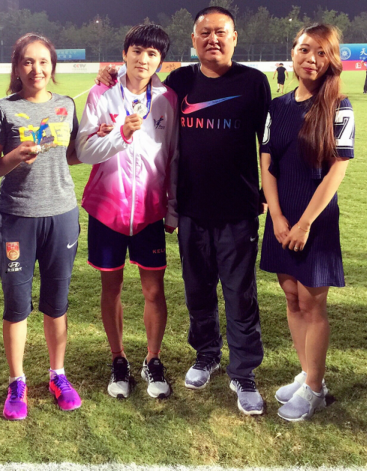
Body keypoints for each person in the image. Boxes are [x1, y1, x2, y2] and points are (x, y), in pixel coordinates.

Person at [95, 7, 270, 415]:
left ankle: (244, 371)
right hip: (190, 209)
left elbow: (268, 143)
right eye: (204, 33)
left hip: (238, 209)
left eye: (221, 32)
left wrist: (267, 193)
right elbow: (136, 86)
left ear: (234, 37)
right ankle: (206, 354)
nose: (213, 39)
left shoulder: (253, 82)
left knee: (240, 294)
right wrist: (108, 76)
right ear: (193, 40)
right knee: (198, 291)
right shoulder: (179, 82)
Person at [76, 24, 178, 399]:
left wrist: (172, 209)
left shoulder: (167, 99)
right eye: (136, 51)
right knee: (111, 287)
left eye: (152, 54)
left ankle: (153, 360)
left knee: (154, 289)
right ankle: (118, 359)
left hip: (150, 211)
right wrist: (121, 136)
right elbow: (83, 151)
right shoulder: (101, 94)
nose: (143, 59)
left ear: (160, 60)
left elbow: (174, 157)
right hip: (107, 208)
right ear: (124, 54)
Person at [0, 33, 82, 417]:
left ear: (52, 66)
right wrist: (15, 157)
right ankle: (17, 382)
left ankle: (58, 375)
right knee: (17, 305)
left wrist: (104, 138)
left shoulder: (66, 105)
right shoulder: (3, 109)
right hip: (17, 217)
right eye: (28, 61)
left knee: (56, 302)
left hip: (61, 214)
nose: (36, 69)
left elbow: (72, 156)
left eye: (43, 61)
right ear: (17, 67)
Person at [260, 24, 355, 421]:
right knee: (291, 297)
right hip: (281, 217)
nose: (310, 59)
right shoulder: (278, 106)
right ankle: (307, 374)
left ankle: (315, 388)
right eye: (303, 50)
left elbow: (337, 169)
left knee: (312, 304)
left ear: (330, 59)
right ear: (293, 53)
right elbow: (268, 162)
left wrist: (304, 223)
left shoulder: (339, 106)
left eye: (320, 52)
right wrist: (278, 216)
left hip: (315, 220)